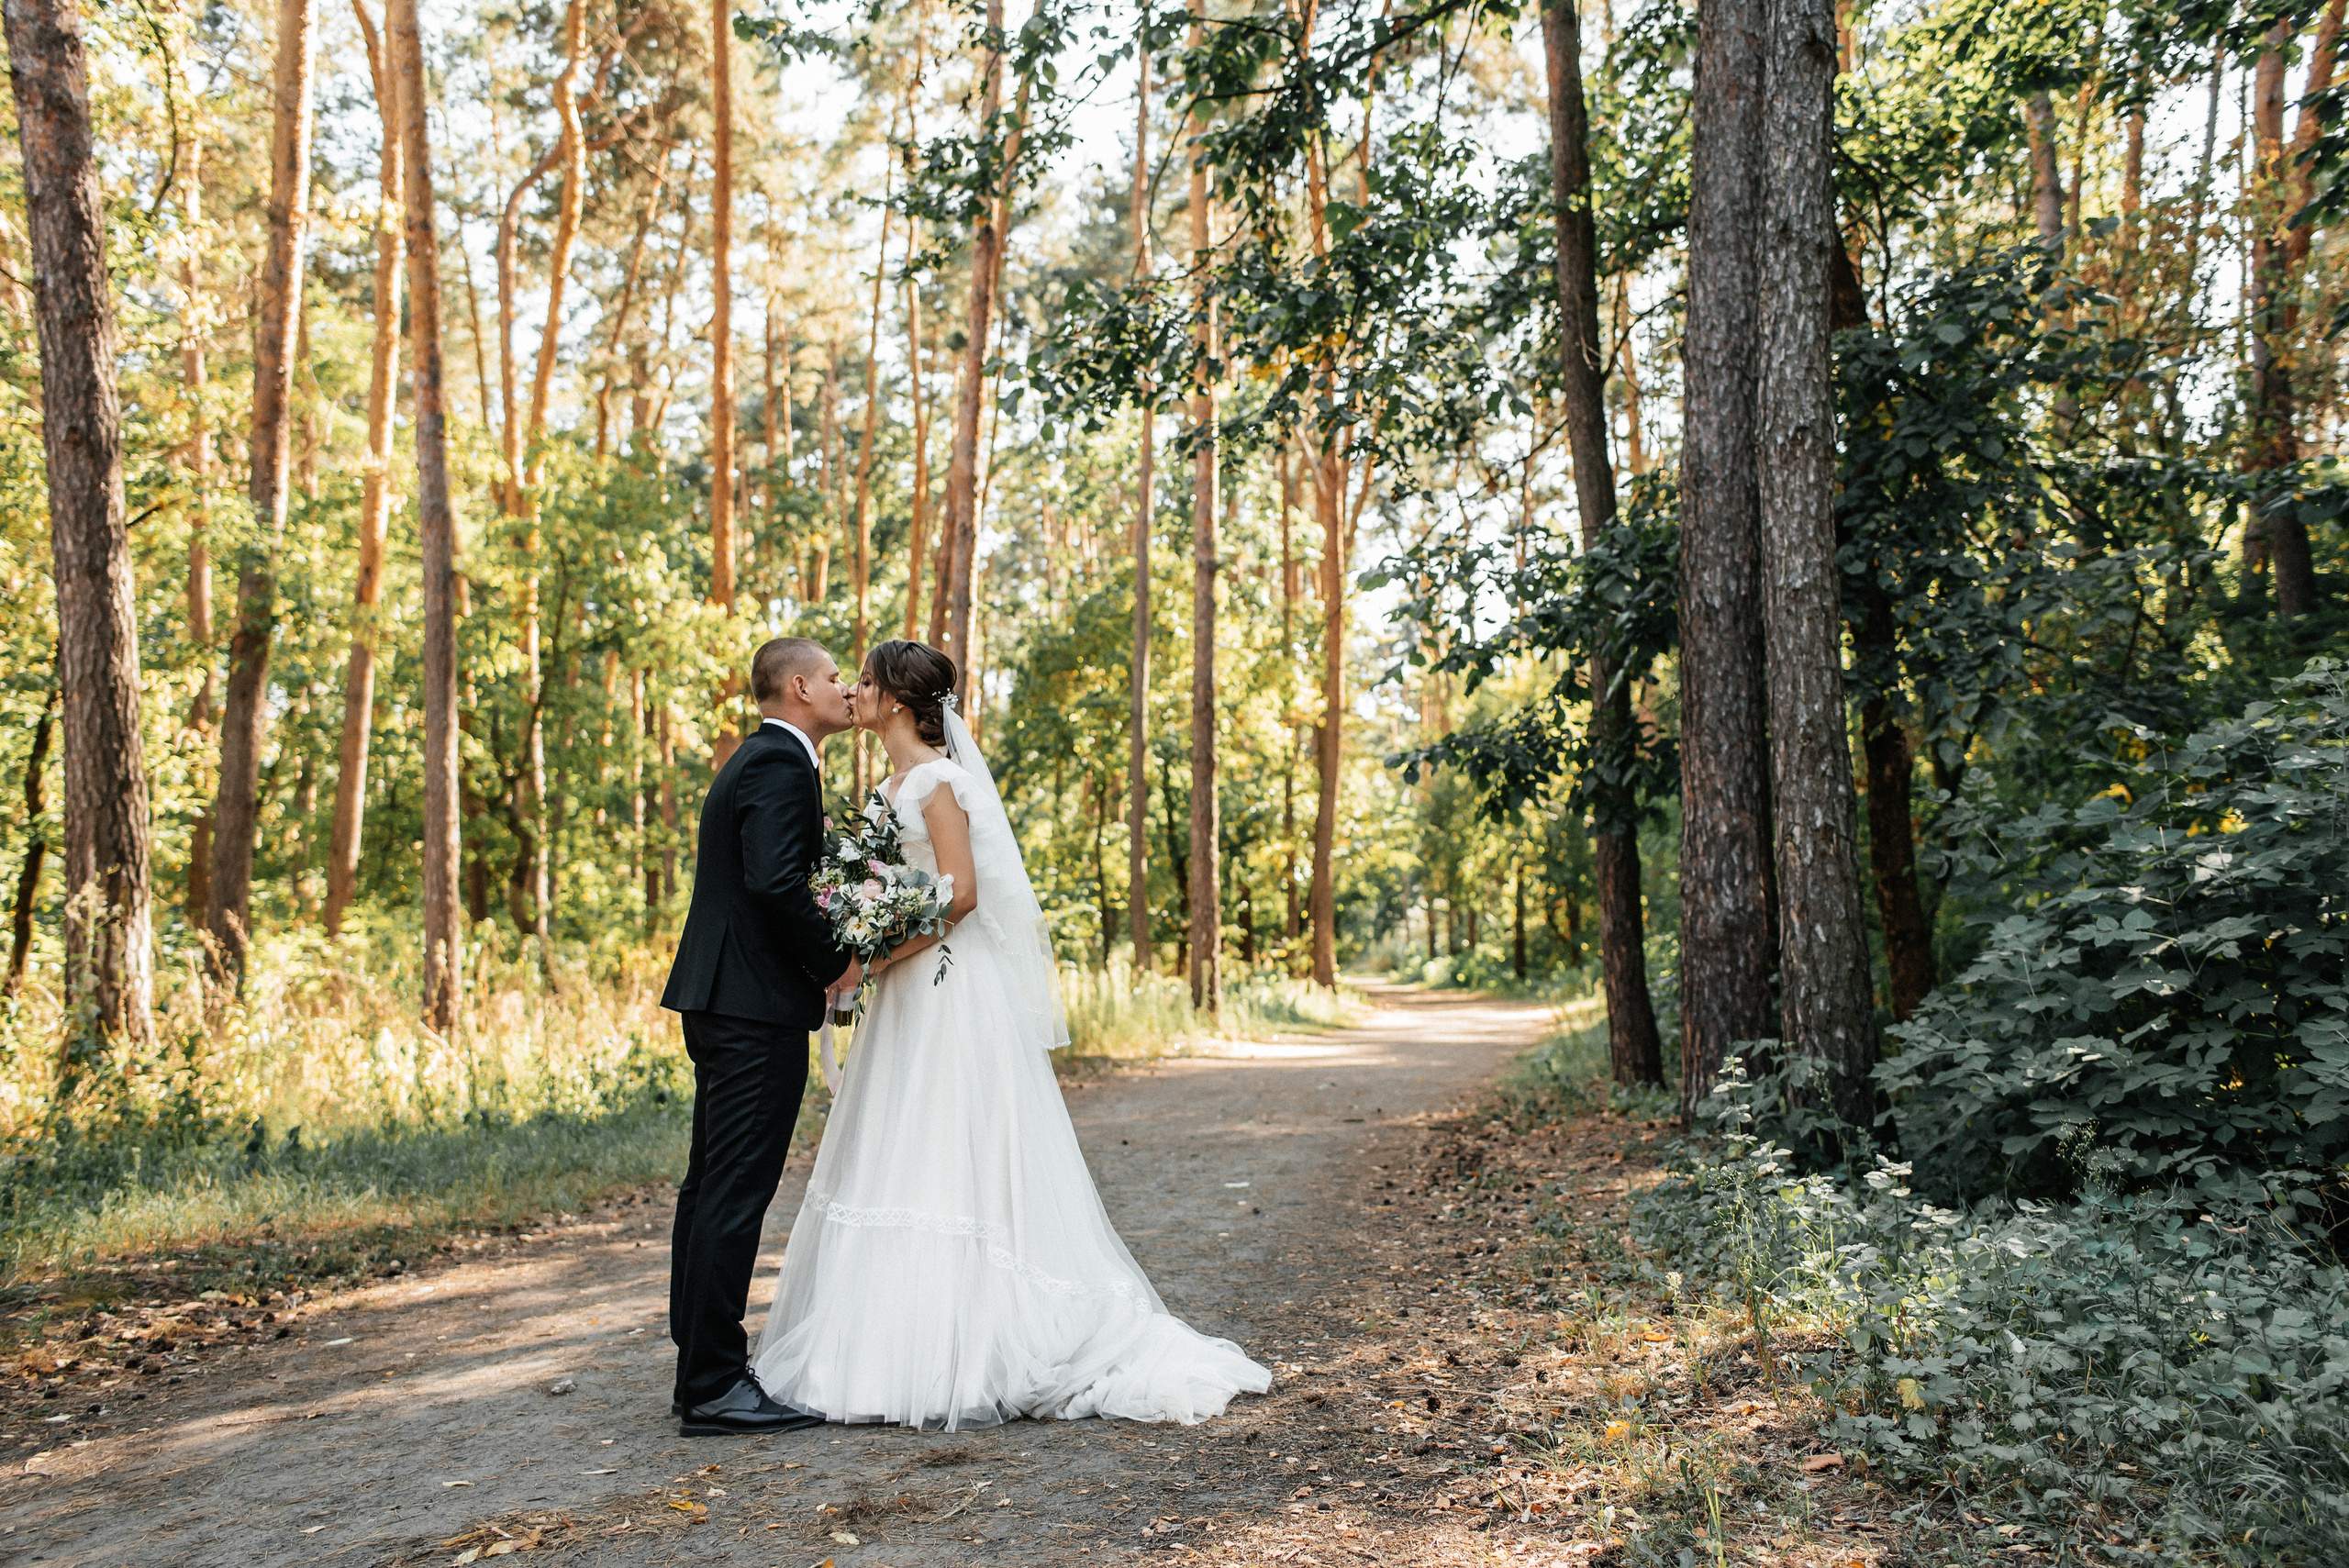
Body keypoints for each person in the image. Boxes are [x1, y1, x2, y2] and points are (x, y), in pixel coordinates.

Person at [751, 639, 1270, 1429]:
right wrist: (863, 941)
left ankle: (975, 1340)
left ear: (895, 699)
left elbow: (960, 897)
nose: (852, 691)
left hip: (947, 986)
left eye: (864, 680)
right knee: (901, 1143)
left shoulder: (938, 779)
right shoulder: (888, 785)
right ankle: (883, 1342)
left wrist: (877, 951)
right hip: (906, 990)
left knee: (949, 1141)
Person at [659, 638, 862, 1436]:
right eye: (837, 676)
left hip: (726, 998)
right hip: (751, 1006)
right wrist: (835, 961)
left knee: (710, 1187)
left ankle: (699, 1366)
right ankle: (711, 1383)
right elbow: (777, 883)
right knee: (732, 1191)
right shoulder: (780, 764)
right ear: (801, 685)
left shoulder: (762, 758)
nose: (848, 689)